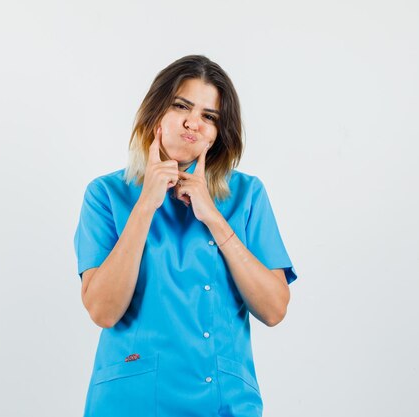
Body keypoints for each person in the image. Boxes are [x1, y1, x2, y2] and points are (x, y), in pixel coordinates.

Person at [73, 54, 298, 417]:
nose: (194, 123)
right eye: (182, 106)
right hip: (131, 401)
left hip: (224, 402)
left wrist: (213, 218)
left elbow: (274, 309)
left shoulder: (246, 194)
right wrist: (146, 204)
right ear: (156, 112)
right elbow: (102, 310)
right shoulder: (106, 194)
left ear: (217, 134)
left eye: (209, 117)